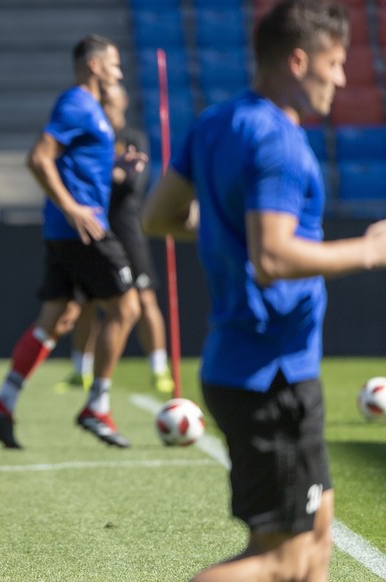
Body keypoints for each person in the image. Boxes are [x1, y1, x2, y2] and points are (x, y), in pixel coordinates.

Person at [142, 1, 386, 580]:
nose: (342, 77)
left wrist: (231, 228)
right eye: (334, 62)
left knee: (318, 540)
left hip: (264, 367)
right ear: (300, 61)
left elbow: (160, 216)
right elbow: (274, 258)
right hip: (268, 374)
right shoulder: (280, 142)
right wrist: (371, 250)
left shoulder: (217, 121)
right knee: (279, 561)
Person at [0, 34, 141, 449]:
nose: (118, 73)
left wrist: (118, 167)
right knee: (127, 307)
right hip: (82, 229)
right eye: (114, 65)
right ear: (94, 65)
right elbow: (39, 157)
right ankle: (97, 406)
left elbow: (80, 164)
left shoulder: (92, 111)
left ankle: (4, 402)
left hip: (64, 229)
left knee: (58, 317)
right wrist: (72, 207)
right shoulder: (77, 103)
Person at [53, 82, 175, 396]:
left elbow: (130, 182)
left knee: (144, 298)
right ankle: (81, 369)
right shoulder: (92, 136)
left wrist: (107, 173)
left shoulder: (132, 139)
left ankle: (159, 367)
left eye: (113, 101)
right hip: (96, 228)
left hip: (125, 227)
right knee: (88, 301)